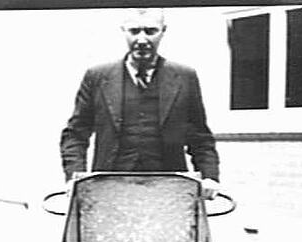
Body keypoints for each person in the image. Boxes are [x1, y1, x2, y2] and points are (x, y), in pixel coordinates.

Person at [59, 8, 221, 199]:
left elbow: (200, 137)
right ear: (124, 31)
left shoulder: (185, 77)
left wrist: (210, 177)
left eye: (151, 31)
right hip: (109, 189)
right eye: (134, 31)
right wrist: (74, 177)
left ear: (163, 31)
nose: (142, 39)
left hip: (169, 191)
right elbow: (76, 134)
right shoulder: (97, 77)